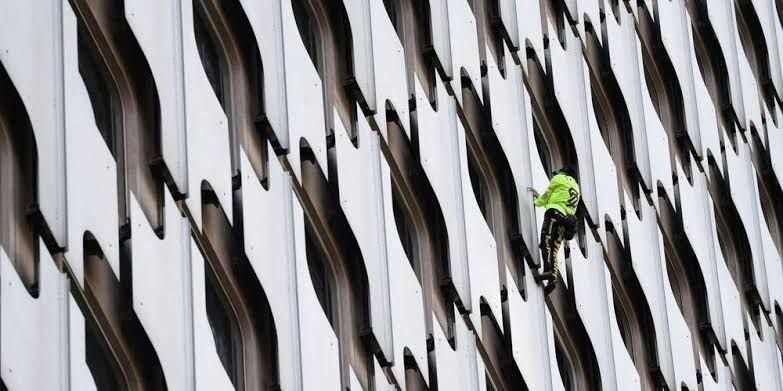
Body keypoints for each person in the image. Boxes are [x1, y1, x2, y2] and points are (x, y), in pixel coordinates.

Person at [527, 165, 580, 296]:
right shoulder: (576, 189)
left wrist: (535, 201)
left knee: (546, 241)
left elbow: (547, 197)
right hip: (565, 220)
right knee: (555, 247)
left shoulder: (559, 178)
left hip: (553, 214)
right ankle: (553, 277)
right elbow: (559, 199)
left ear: (563, 172)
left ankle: (548, 270)